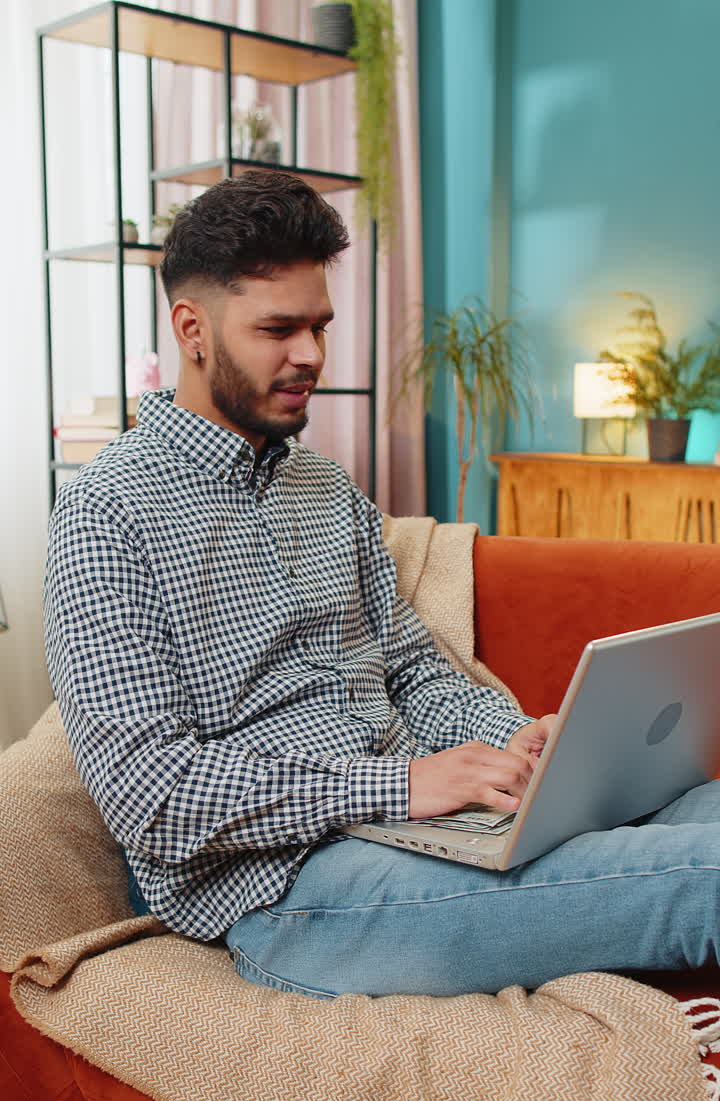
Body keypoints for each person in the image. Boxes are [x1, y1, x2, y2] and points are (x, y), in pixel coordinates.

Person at [44, 171, 720, 1000]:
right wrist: (402, 784)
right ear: (192, 329)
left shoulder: (328, 491)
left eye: (320, 327)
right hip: (287, 894)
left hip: (423, 830)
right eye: (278, 330)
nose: (311, 357)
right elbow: (152, 793)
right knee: (707, 872)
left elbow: (415, 669)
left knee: (705, 808)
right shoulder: (104, 515)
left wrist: (514, 747)